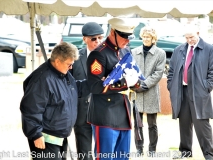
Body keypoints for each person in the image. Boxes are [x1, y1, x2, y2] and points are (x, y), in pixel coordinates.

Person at [20, 42, 89, 160]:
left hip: (59, 137)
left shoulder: (63, 74)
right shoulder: (42, 79)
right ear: (57, 61)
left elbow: (74, 89)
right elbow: (31, 109)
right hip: (45, 138)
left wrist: (92, 84)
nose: (71, 67)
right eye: (69, 64)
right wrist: (36, 134)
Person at [86, 17, 139, 160]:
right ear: (113, 32)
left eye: (129, 38)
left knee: (122, 157)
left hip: (123, 111)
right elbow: (95, 86)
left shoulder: (125, 50)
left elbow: (134, 78)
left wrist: (134, 81)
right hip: (104, 114)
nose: (127, 41)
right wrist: (124, 82)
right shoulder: (98, 54)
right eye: (124, 37)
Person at [167, 24, 213, 159]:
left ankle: (209, 154)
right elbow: (171, 71)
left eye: (191, 37)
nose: (189, 40)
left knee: (202, 125)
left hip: (199, 92)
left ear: (198, 33)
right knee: (184, 123)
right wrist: (171, 85)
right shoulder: (179, 49)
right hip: (181, 92)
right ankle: (185, 152)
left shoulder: (209, 49)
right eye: (186, 37)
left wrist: (206, 87)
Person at [70, 22, 104, 160]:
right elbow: (68, 84)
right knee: (84, 153)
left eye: (100, 38)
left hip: (104, 111)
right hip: (82, 112)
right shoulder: (74, 57)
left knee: (103, 151)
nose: (98, 41)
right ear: (84, 39)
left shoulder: (109, 56)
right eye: (93, 39)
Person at [131, 26, 166, 157]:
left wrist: (144, 85)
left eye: (148, 37)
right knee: (137, 124)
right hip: (136, 91)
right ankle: (139, 149)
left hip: (150, 91)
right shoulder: (134, 52)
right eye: (144, 36)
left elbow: (158, 73)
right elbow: (131, 70)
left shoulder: (160, 53)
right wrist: (135, 85)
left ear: (153, 39)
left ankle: (152, 149)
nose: (146, 39)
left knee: (152, 124)